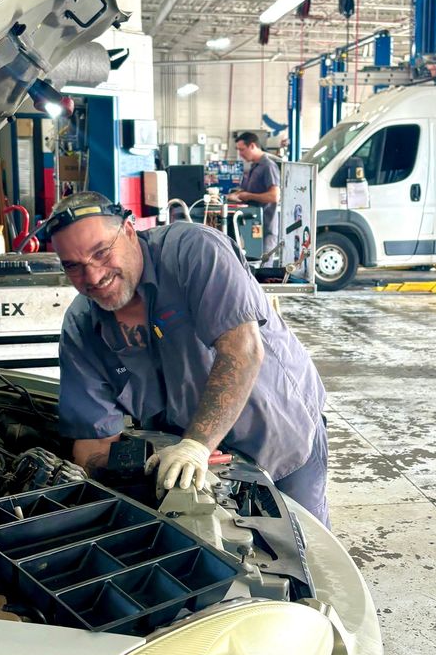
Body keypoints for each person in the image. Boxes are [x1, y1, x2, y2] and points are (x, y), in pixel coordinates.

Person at [46, 192, 330, 527]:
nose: (93, 277)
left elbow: (242, 349)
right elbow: (93, 441)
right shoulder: (82, 328)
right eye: (73, 266)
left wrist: (195, 445)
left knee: (302, 553)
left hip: (275, 435)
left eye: (101, 253)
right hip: (186, 467)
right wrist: (145, 464)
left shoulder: (194, 252)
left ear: (128, 231)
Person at [228, 132, 281, 259]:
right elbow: (249, 191)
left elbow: (274, 196)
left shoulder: (268, 166)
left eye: (242, 150)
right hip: (253, 227)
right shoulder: (254, 167)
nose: (240, 154)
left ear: (252, 146)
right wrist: (237, 194)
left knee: (263, 268)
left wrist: (249, 196)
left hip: (266, 228)